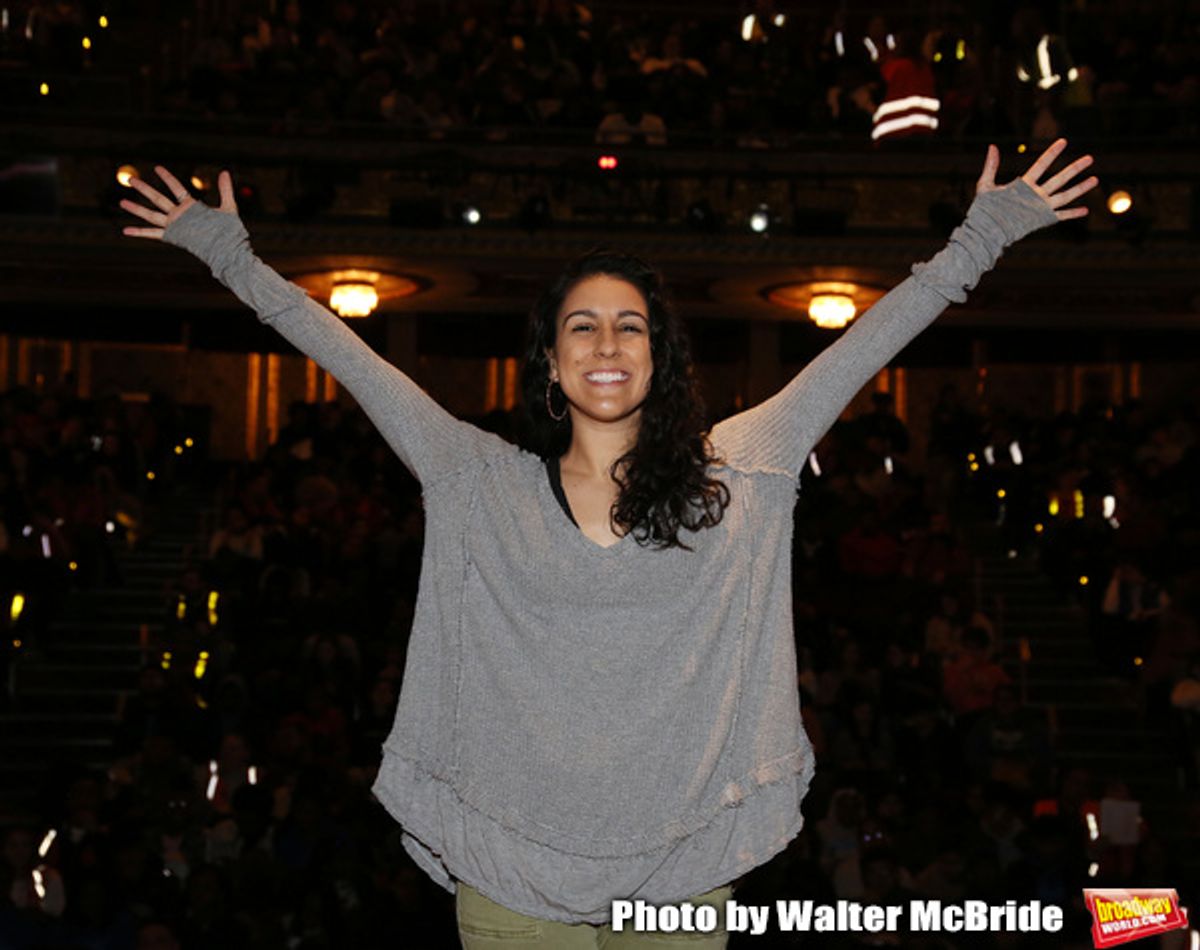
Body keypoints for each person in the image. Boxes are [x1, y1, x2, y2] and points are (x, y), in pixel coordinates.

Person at [120, 140, 1096, 947]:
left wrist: (983, 234)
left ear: (659, 357)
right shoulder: (476, 477)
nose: (606, 342)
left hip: (677, 864)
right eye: (581, 325)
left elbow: (867, 347)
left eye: (630, 325)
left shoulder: (741, 465)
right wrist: (232, 259)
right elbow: (346, 353)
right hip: (510, 862)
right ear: (551, 362)